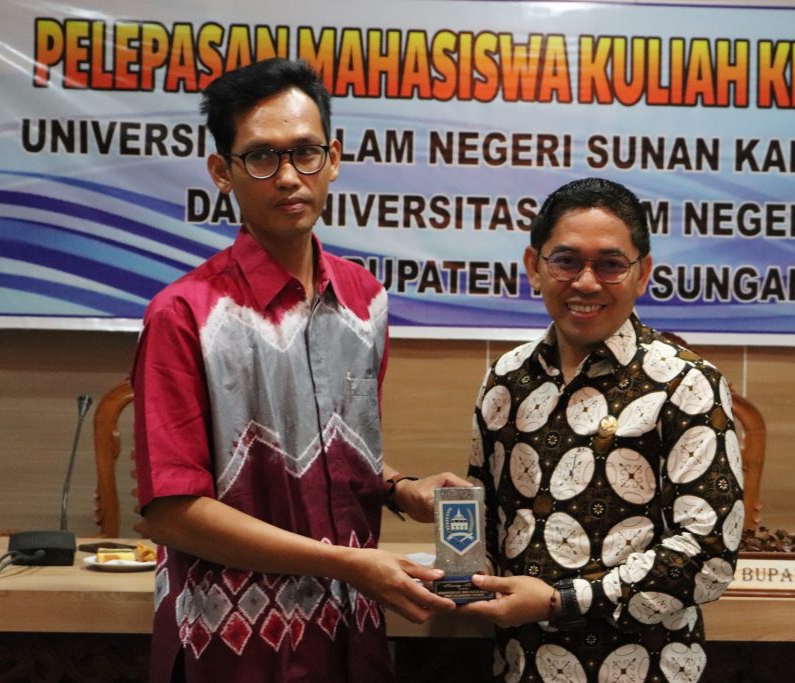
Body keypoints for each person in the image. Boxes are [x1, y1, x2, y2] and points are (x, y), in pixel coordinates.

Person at [132, 58, 466, 682]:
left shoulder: (365, 299)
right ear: (222, 172)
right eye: (261, 157)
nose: (288, 177)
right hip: (234, 652)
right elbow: (171, 511)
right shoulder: (184, 314)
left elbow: (331, 455)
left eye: (305, 153)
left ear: (332, 159)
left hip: (351, 637)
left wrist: (399, 488)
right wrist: (348, 564)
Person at [460, 178, 745, 682]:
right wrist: (455, 575)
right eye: (566, 261)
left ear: (642, 274)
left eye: (611, 264)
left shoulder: (685, 383)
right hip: (521, 668)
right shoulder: (505, 378)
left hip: (645, 669)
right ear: (534, 267)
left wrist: (560, 601)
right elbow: (484, 522)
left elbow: (707, 556)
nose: (587, 283)